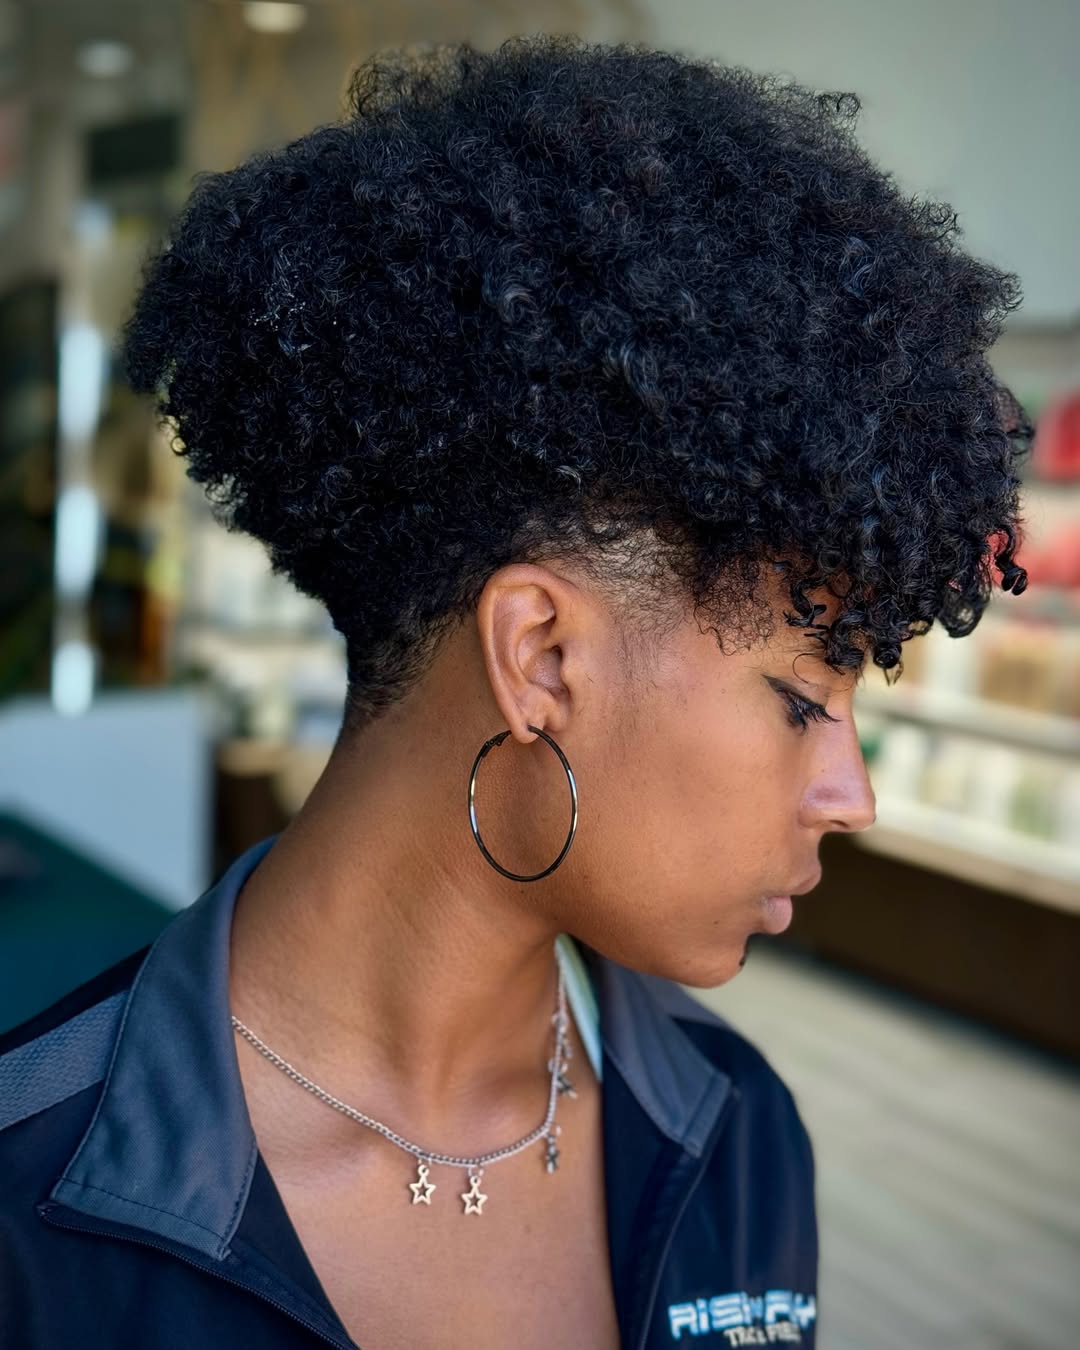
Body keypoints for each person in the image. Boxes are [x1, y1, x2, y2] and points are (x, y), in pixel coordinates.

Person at [0, 33, 1030, 1350]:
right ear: (542, 657)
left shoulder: (735, 1136)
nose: (852, 793)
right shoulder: (34, 1215)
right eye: (800, 699)